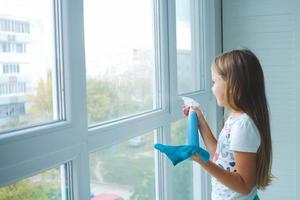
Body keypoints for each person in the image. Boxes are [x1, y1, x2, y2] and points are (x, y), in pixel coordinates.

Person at [183, 49, 272, 200]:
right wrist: (201, 121)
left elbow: (244, 185)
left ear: (233, 85)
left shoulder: (243, 126)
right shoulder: (236, 119)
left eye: (214, 81)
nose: (212, 88)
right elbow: (221, 157)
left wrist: (201, 160)